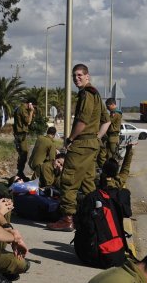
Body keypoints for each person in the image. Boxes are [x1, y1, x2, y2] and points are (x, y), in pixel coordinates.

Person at [47, 64, 110, 232]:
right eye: (74, 76)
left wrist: (70, 139)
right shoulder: (96, 94)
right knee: (88, 182)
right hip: (91, 145)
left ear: (87, 76)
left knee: (68, 181)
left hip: (81, 144)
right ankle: (95, 216)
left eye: (80, 75)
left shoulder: (86, 94)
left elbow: (82, 121)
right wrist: (97, 137)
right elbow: (107, 121)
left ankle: (67, 219)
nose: (77, 78)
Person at [13, 97, 36, 180]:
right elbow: (28, 122)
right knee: (23, 154)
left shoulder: (21, 109)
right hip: (20, 135)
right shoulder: (22, 109)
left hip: (21, 135)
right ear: (30, 104)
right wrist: (31, 111)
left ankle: (20, 172)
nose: (34, 108)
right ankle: (19, 173)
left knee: (23, 154)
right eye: (34, 106)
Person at [97, 98, 122, 168]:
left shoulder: (116, 113)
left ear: (113, 105)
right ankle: (109, 168)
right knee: (109, 154)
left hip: (113, 136)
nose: (107, 108)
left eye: (108, 106)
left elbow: (108, 121)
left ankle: (115, 169)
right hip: (110, 136)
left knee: (114, 154)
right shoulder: (113, 112)